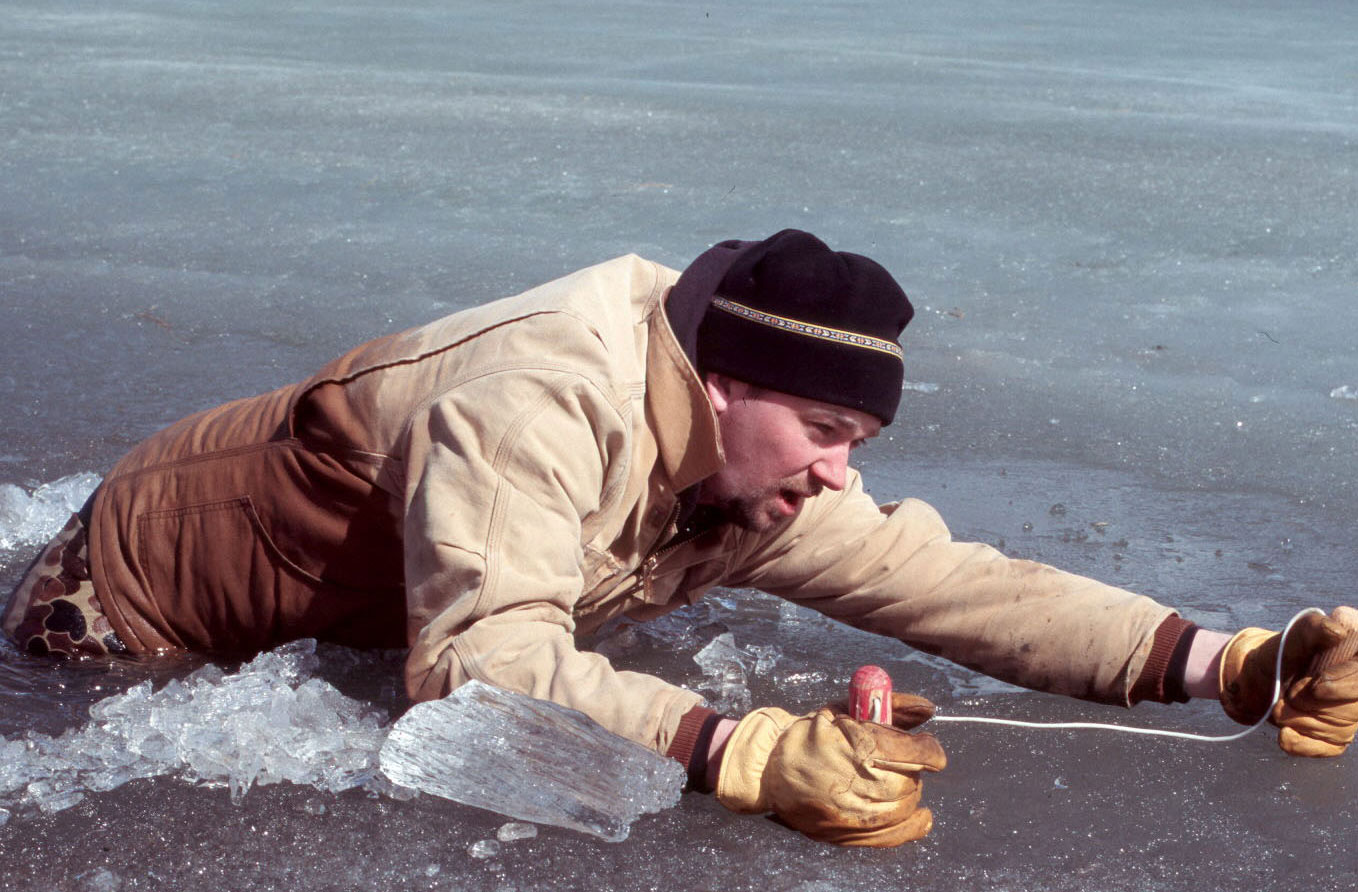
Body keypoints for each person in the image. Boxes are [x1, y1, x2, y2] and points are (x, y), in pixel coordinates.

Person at [4, 230, 1356, 846]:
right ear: (723, 387)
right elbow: (472, 667)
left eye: (858, 446)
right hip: (130, 605)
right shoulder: (538, 399)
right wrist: (738, 749)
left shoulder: (758, 471)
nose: (836, 479)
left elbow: (940, 581)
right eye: (824, 433)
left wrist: (1223, 663)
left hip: (375, 593)